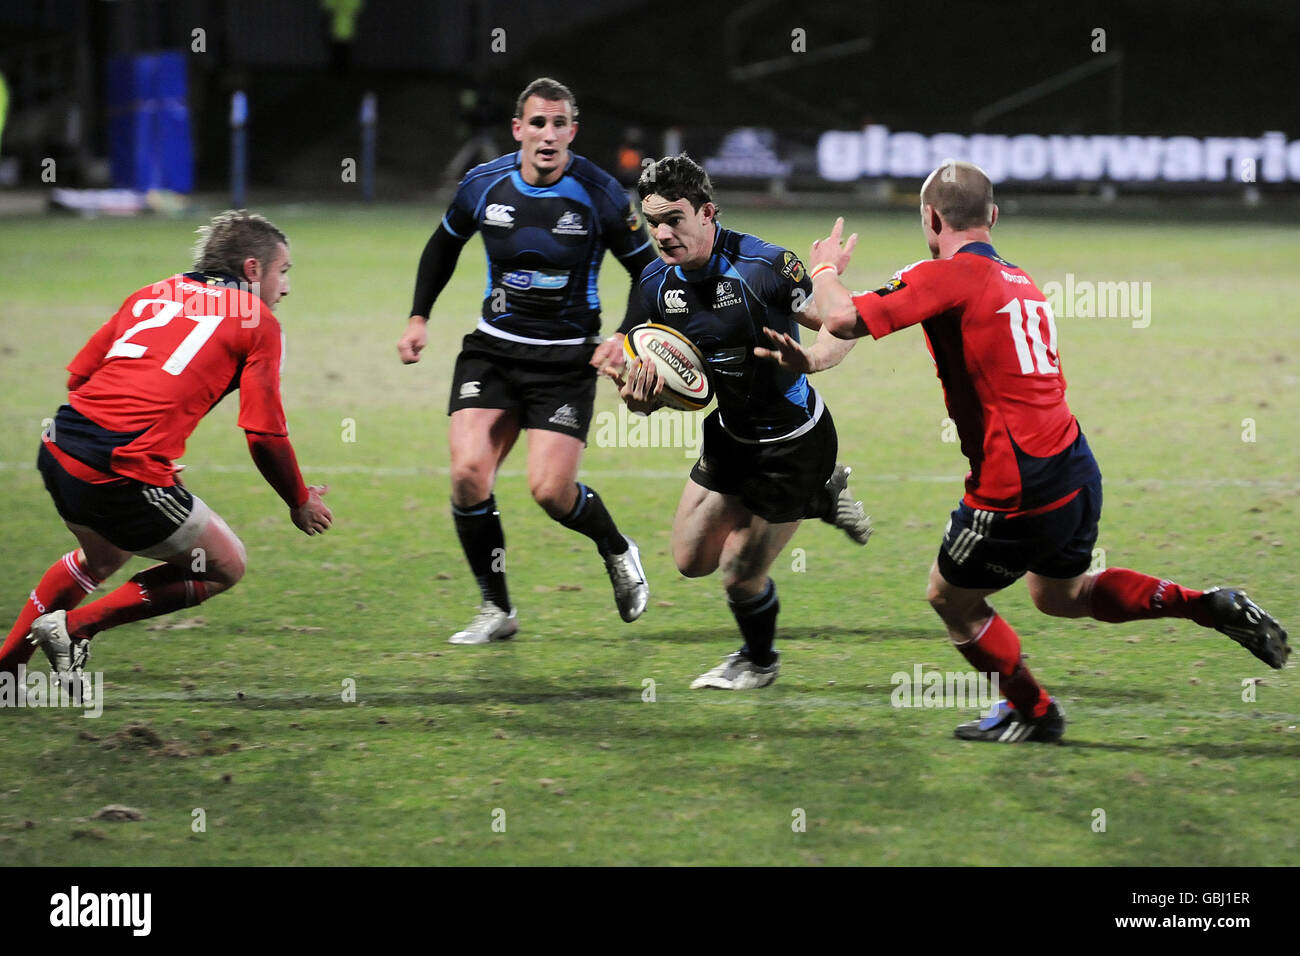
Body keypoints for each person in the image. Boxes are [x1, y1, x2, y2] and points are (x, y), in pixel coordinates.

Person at [794, 159, 1289, 742]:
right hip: (1073, 467)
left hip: (1014, 483)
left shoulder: (945, 275)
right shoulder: (1019, 280)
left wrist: (824, 266)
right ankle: (1204, 604)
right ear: (994, 217)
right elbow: (845, 321)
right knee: (1061, 594)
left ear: (930, 217)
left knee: (949, 597)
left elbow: (844, 315)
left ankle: (1034, 713)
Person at [0, 210, 333, 699]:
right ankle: (74, 629)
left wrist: (142, 438)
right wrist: (299, 499)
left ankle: (6, 672)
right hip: (117, 472)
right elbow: (264, 434)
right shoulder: (257, 321)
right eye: (284, 272)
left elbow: (81, 378)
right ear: (253, 269)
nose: (285, 288)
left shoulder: (154, 291)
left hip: (59, 446)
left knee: (103, 556)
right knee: (223, 566)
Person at [397, 77, 657, 645]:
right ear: (518, 129)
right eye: (537, 123)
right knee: (468, 475)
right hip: (492, 352)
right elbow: (443, 245)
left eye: (559, 123)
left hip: (566, 363)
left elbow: (649, 272)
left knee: (550, 492)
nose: (547, 134)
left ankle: (617, 548)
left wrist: (624, 335)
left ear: (572, 131)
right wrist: (419, 317)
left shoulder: (603, 192)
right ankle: (497, 609)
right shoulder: (482, 185)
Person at [613, 153, 873, 691]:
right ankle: (824, 499)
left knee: (739, 574)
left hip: (793, 443)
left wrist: (812, 360)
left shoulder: (766, 266)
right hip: (731, 435)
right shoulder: (654, 283)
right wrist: (640, 399)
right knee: (689, 560)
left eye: (674, 220)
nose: (661, 233)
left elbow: (839, 327)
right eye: (652, 221)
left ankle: (759, 662)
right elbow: (650, 372)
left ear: (708, 213)